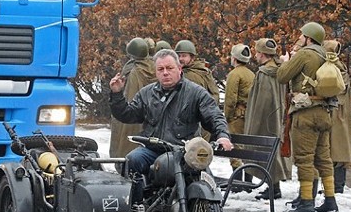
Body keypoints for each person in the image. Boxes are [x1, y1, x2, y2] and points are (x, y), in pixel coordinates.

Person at [109, 49, 233, 203]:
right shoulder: (147, 93)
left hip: (183, 152)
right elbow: (128, 114)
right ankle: (136, 208)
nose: (165, 73)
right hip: (152, 149)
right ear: (156, 72)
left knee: (202, 179)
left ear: (179, 69)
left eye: (170, 68)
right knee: (131, 161)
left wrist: (222, 136)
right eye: (161, 69)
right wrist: (117, 94)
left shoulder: (196, 93)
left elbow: (214, 115)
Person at [277, 22, 337, 212]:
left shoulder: (304, 54)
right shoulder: (325, 55)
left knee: (304, 159)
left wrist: (286, 61)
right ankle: (330, 199)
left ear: (309, 38)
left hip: (305, 114)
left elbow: (282, 76)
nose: (299, 38)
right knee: (324, 159)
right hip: (323, 113)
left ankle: (306, 202)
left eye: (302, 35)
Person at [243, 38, 291, 200]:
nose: (255, 56)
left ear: (262, 54)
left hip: (266, 119)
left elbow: (261, 102)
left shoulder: (264, 74)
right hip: (279, 117)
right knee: (274, 151)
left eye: (257, 52)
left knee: (267, 150)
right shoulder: (282, 70)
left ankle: (273, 188)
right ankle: (273, 187)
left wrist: (254, 123)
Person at [109, 38, 157, 158]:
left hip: (130, 113)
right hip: (150, 115)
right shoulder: (155, 67)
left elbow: (127, 96)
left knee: (126, 143)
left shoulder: (132, 70)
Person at [324, 39, 351, 193]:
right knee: (337, 152)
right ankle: (335, 186)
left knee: (336, 152)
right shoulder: (339, 67)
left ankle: (337, 187)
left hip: (336, 114)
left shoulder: (333, 68)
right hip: (340, 115)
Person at [224, 43, 255, 187]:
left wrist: (227, 116)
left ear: (234, 58)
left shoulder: (234, 74)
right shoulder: (251, 74)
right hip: (249, 116)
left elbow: (230, 99)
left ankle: (237, 182)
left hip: (237, 116)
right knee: (248, 148)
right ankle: (248, 181)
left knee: (235, 149)